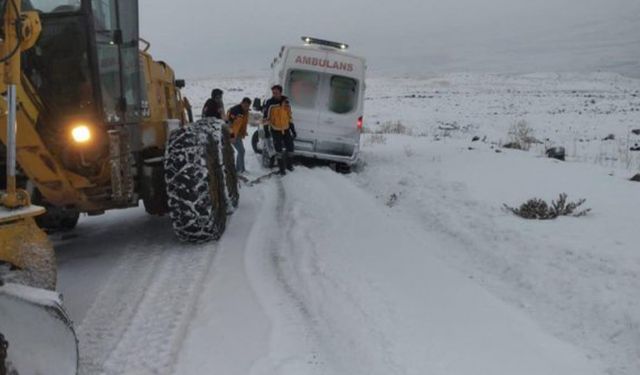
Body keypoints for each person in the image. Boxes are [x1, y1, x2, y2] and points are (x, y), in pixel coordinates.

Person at [263, 85, 296, 175]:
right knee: (279, 151)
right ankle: (282, 169)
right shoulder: (270, 103)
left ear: (280, 92)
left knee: (291, 148)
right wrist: (266, 131)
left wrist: (293, 130)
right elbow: (266, 118)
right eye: (273, 93)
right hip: (275, 130)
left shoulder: (286, 102)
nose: (274, 94)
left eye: (276, 93)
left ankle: (289, 166)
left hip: (286, 129)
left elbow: (289, 116)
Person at [227, 97, 252, 173]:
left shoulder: (245, 111)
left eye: (248, 106)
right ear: (242, 103)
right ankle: (239, 170)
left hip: (237, 134)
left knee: (242, 151)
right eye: (245, 105)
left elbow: (242, 124)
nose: (246, 107)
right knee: (241, 151)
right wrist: (231, 136)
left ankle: (240, 169)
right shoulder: (235, 111)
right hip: (231, 134)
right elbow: (228, 124)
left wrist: (242, 132)